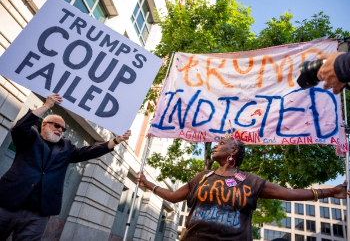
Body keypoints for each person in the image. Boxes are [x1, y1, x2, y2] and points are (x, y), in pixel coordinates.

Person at [136, 136, 349, 241]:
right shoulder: (201, 177)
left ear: (234, 151)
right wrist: (148, 184)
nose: (216, 145)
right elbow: (173, 197)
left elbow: (289, 193)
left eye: (222, 143)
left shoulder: (250, 181)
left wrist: (329, 192)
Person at [0, 94, 131, 240]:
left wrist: (115, 141)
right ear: (44, 124)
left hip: (39, 214)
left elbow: (88, 152)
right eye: (56, 125)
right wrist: (46, 106)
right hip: (7, 203)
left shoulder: (66, 146)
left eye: (63, 129)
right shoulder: (30, 136)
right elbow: (19, 127)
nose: (60, 130)